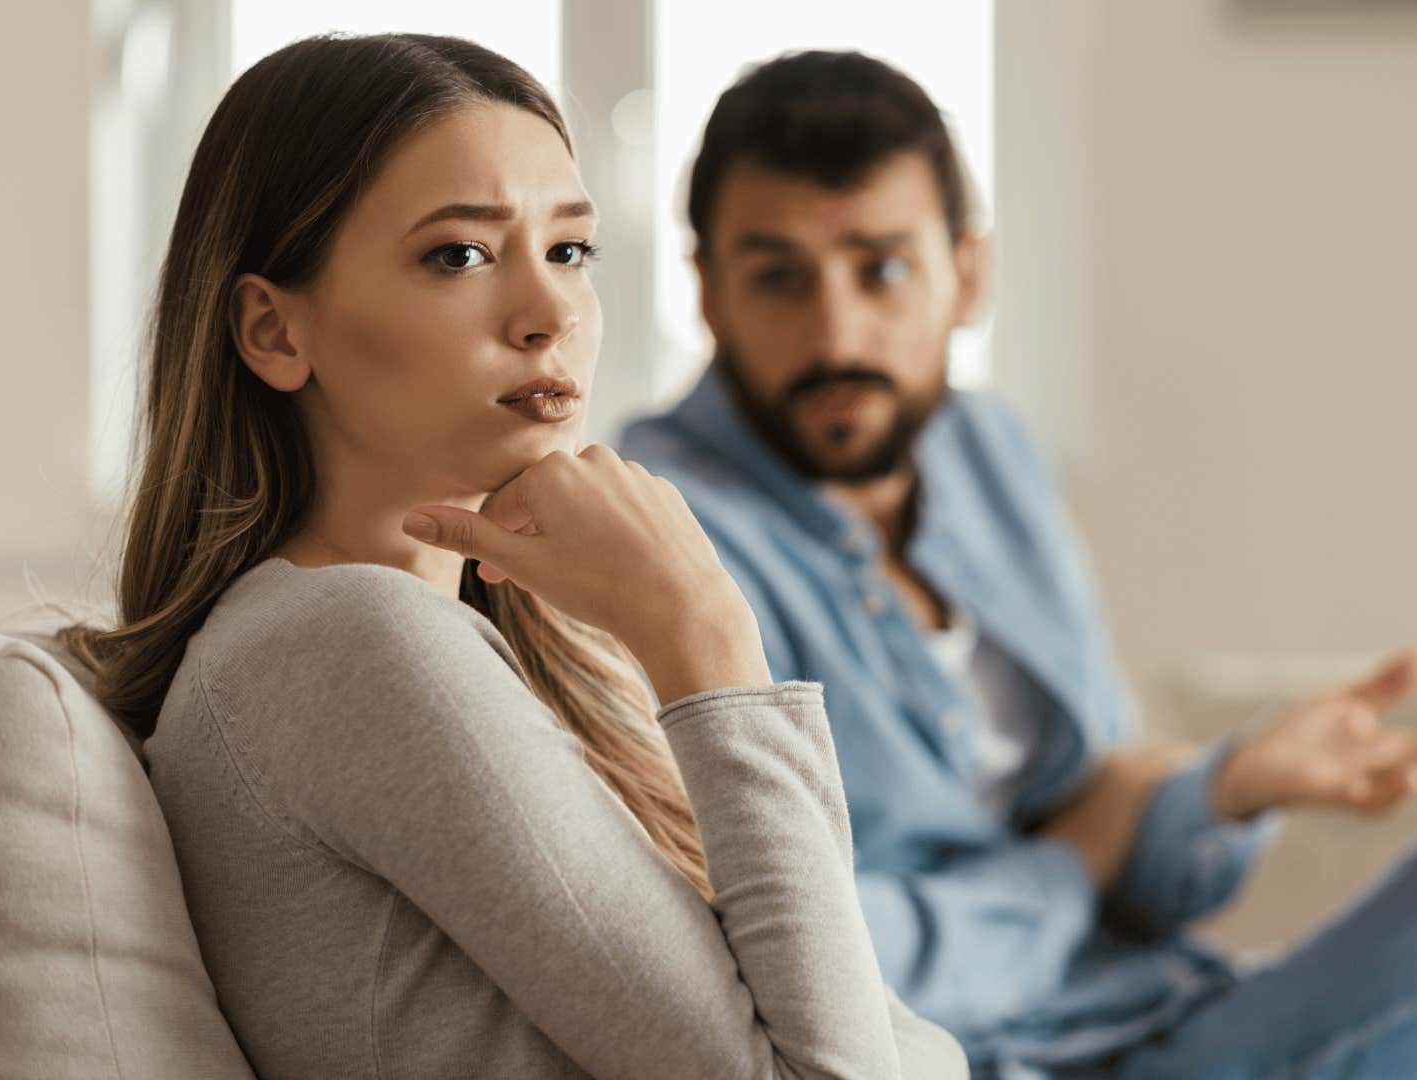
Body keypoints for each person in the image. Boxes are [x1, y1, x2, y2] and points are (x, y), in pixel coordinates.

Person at [618, 49, 1417, 1078]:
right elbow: (805, 957)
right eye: (778, 277)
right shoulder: (662, 539)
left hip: (1182, 1008)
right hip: (1038, 1065)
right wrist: (1079, 858)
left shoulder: (987, 456)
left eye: (882, 268)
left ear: (968, 274)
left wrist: (1218, 794)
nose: (836, 331)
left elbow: (1132, 863)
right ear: (710, 294)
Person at [59, 34, 966, 1079]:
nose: (549, 317)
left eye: (570, 251)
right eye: (461, 254)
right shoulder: (356, 645)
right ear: (273, 331)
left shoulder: (488, 641)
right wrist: (706, 633)